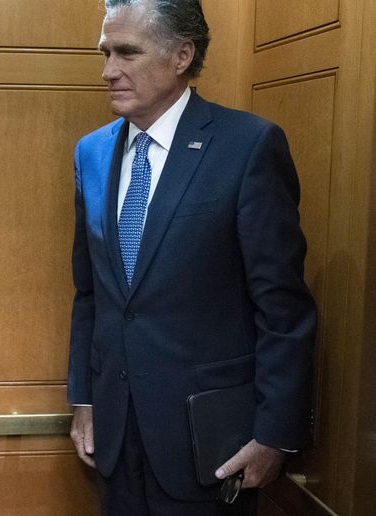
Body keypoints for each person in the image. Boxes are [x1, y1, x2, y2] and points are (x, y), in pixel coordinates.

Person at [66, 0, 316, 514]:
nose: (108, 71)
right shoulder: (90, 152)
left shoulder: (247, 146)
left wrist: (275, 435)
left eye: (127, 53)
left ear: (182, 55)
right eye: (105, 52)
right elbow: (91, 292)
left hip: (213, 443)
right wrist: (85, 398)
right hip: (114, 437)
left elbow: (283, 308)